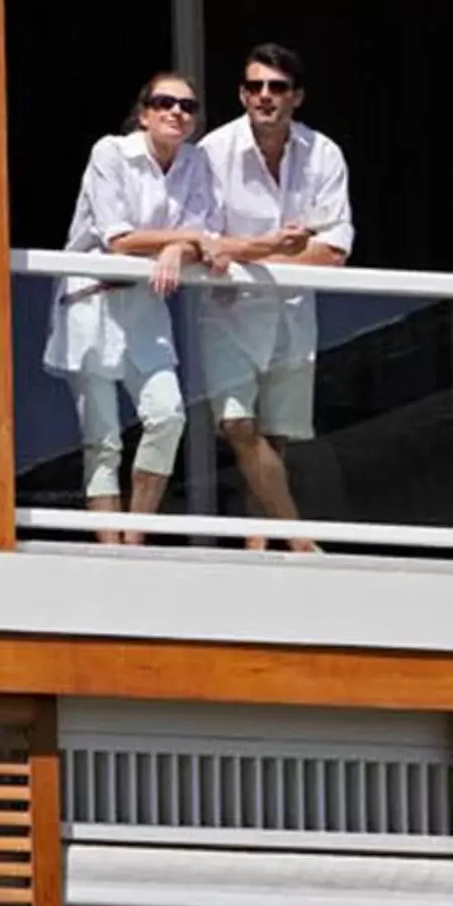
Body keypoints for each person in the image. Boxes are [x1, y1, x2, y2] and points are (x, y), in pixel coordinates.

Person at [49, 70, 222, 546]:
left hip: (147, 305)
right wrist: (184, 239)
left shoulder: (196, 164)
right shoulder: (111, 152)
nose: (177, 113)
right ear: (143, 114)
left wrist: (178, 249)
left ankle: (135, 537)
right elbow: (119, 237)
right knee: (102, 442)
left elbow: (203, 234)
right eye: (165, 103)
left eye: (188, 107)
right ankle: (111, 551)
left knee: (168, 416)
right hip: (92, 304)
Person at [196, 43, 355, 553]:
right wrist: (274, 250)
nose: (265, 97)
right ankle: (299, 539)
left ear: (297, 96)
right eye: (255, 87)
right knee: (238, 425)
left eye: (277, 87)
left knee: (274, 441)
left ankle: (256, 550)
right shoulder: (212, 154)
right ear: (242, 95)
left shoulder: (324, 154)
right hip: (227, 313)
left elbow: (331, 253)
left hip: (290, 315)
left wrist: (245, 259)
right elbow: (204, 244)